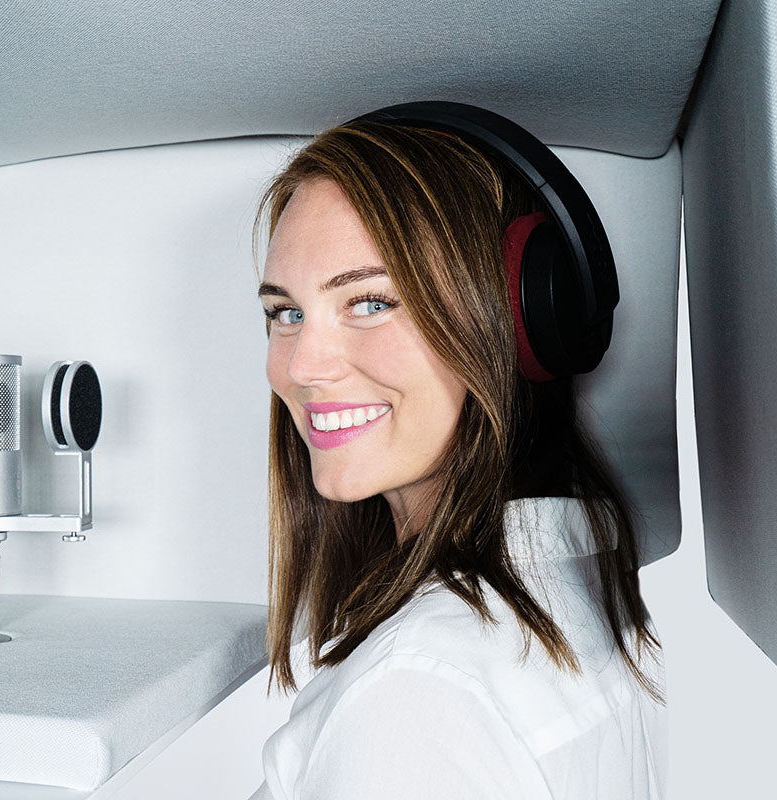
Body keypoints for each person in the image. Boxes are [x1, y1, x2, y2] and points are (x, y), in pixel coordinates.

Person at [248, 115, 666, 799]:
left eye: (371, 302)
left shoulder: (414, 696)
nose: (303, 366)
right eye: (286, 313)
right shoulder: (574, 585)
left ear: (517, 321)